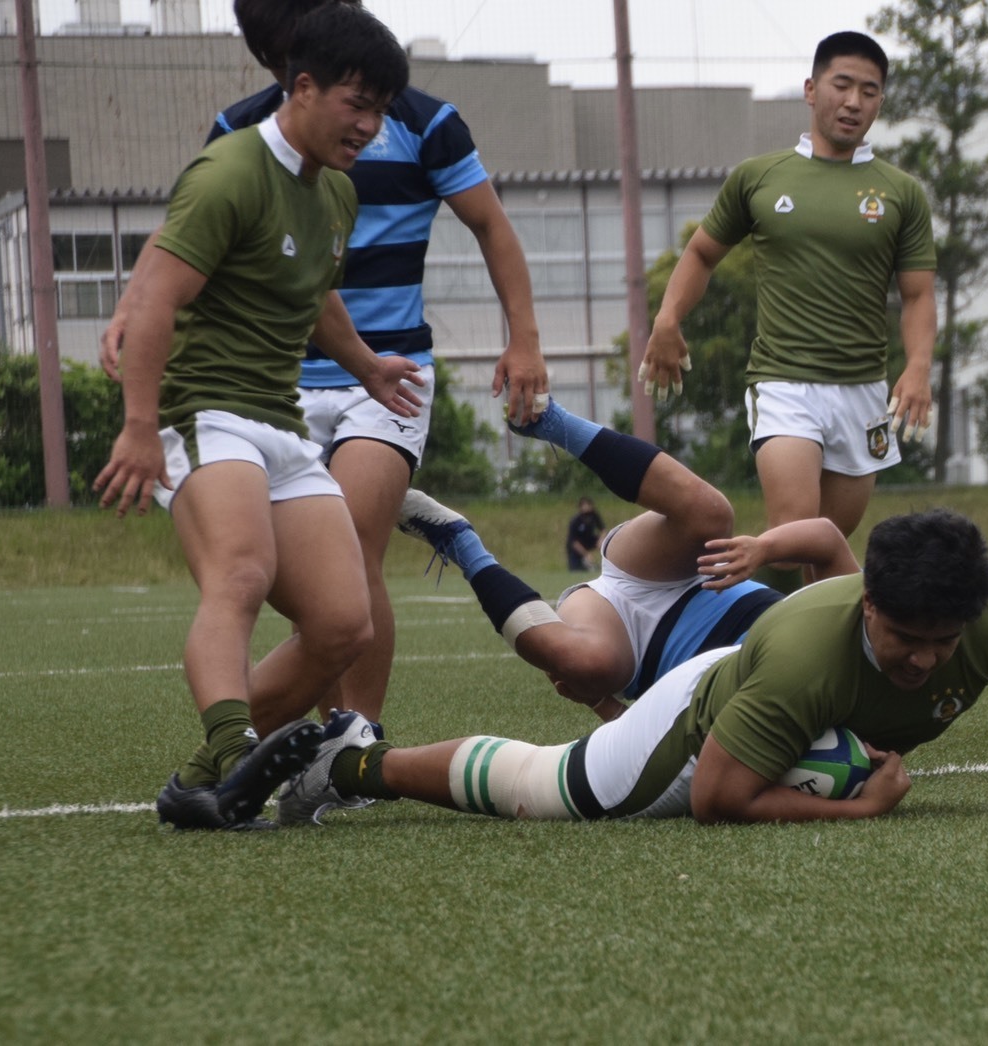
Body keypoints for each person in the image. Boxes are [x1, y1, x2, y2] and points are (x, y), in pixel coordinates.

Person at [100, 0, 549, 730]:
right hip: (269, 390)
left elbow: (489, 224)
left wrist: (523, 340)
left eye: (373, 104)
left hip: (389, 378)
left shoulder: (421, 124)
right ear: (291, 74)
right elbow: (183, 230)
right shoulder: (242, 137)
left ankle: (352, 738)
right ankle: (245, 740)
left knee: (353, 547)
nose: (366, 124)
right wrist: (130, 312)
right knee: (264, 578)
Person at [278, 508, 988, 827]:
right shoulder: (808, 661)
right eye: (904, 637)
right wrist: (862, 809)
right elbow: (719, 801)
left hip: (760, 691)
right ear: (868, 604)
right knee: (548, 788)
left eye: (943, 644)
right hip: (699, 728)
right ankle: (349, 761)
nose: (924, 659)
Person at [91, 5, 418, 829]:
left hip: (280, 423)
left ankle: (209, 770)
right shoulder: (229, 170)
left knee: (345, 624)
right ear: (301, 87)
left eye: (381, 110)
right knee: (240, 575)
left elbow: (317, 299)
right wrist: (138, 426)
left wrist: (368, 365)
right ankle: (234, 751)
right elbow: (156, 300)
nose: (370, 126)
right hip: (204, 412)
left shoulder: (336, 196)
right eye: (356, 104)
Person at [640, 30, 938, 587]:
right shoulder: (760, 176)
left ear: (880, 103)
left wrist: (919, 367)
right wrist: (666, 321)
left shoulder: (901, 192)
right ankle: (752, 649)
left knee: (818, 546)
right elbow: (702, 253)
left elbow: (919, 294)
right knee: (796, 523)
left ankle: (746, 622)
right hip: (783, 384)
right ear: (811, 89)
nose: (853, 102)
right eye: (841, 85)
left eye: (869, 91)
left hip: (863, 392)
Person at [393, 399, 859, 725]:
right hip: (683, 571)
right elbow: (827, 539)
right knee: (713, 515)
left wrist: (600, 702)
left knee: (584, 663)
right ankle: (551, 420)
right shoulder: (854, 641)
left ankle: (460, 544)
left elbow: (666, 744)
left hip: (634, 648)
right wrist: (763, 549)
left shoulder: (787, 731)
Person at [566, 496, 605, 571]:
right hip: (576, 546)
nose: (586, 507)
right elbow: (574, 542)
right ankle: (589, 566)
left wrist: (601, 540)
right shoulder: (575, 520)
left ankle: (605, 564)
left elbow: (603, 529)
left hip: (588, 540)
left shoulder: (594, 515)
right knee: (576, 570)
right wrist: (586, 554)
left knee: (605, 542)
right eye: (584, 505)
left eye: (588, 504)